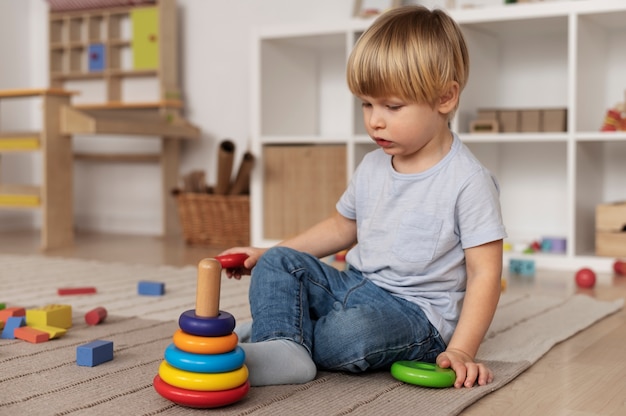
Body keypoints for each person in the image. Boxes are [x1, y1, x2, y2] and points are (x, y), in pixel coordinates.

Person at [220, 5, 506, 389]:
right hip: (355, 287)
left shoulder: (469, 181)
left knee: (353, 334)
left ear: (445, 98)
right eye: (366, 104)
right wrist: (266, 253)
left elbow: (485, 272)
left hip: (417, 315)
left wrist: (462, 350)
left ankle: (286, 333)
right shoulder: (373, 165)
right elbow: (342, 226)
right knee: (279, 262)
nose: (374, 120)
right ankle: (285, 342)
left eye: (392, 106)